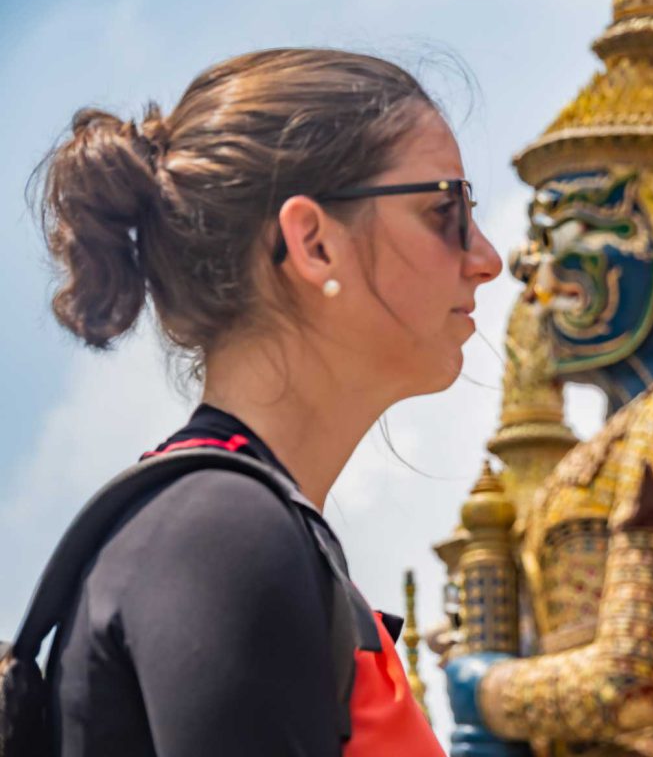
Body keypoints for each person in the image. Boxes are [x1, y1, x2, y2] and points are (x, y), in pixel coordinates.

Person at [35, 47, 501, 756]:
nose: (488, 256)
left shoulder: (232, 527)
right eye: (446, 210)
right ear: (313, 244)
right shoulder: (221, 535)